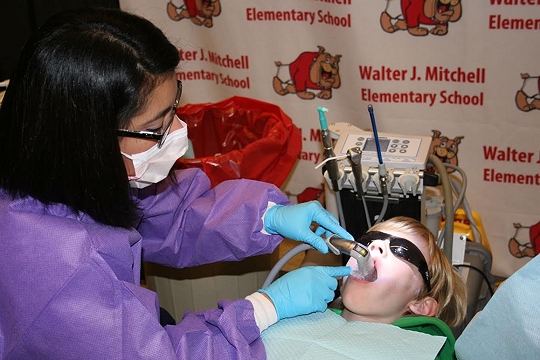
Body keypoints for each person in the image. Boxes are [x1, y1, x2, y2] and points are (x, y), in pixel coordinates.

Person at [0, 8, 352, 359]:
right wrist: (262, 310)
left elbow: (169, 213)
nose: (177, 132)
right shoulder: (59, 271)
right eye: (157, 127)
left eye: (174, 110)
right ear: (90, 138)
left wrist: (266, 216)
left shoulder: (64, 167)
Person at [329, 216, 468, 359]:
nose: (375, 245)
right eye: (367, 240)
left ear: (420, 305)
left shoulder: (420, 354)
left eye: (401, 250)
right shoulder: (312, 319)